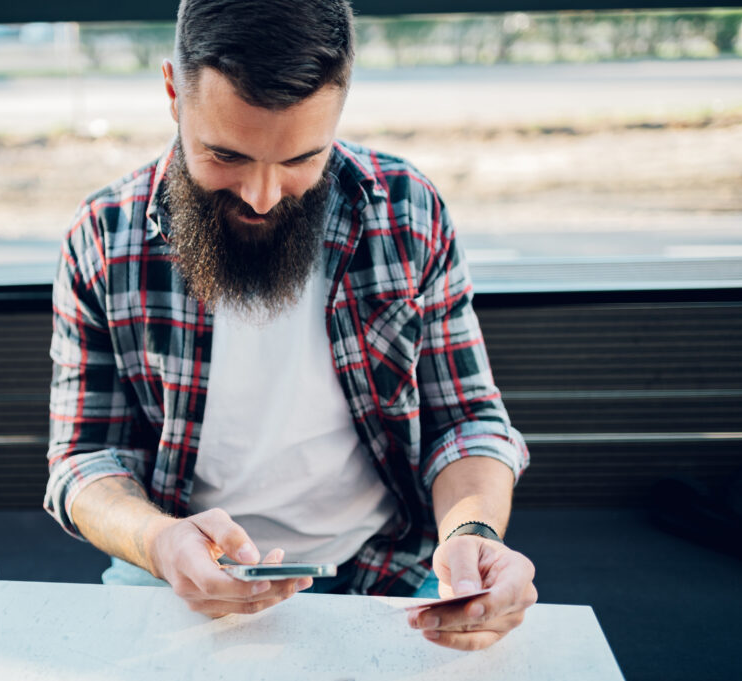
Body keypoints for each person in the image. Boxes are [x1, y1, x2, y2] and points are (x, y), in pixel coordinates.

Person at [44, 0, 537, 651]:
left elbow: (466, 419)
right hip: (175, 575)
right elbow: (83, 460)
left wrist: (474, 535)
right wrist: (160, 542)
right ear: (172, 93)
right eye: (226, 154)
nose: (262, 194)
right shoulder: (104, 237)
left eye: (303, 157)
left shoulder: (407, 210)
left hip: (392, 569)